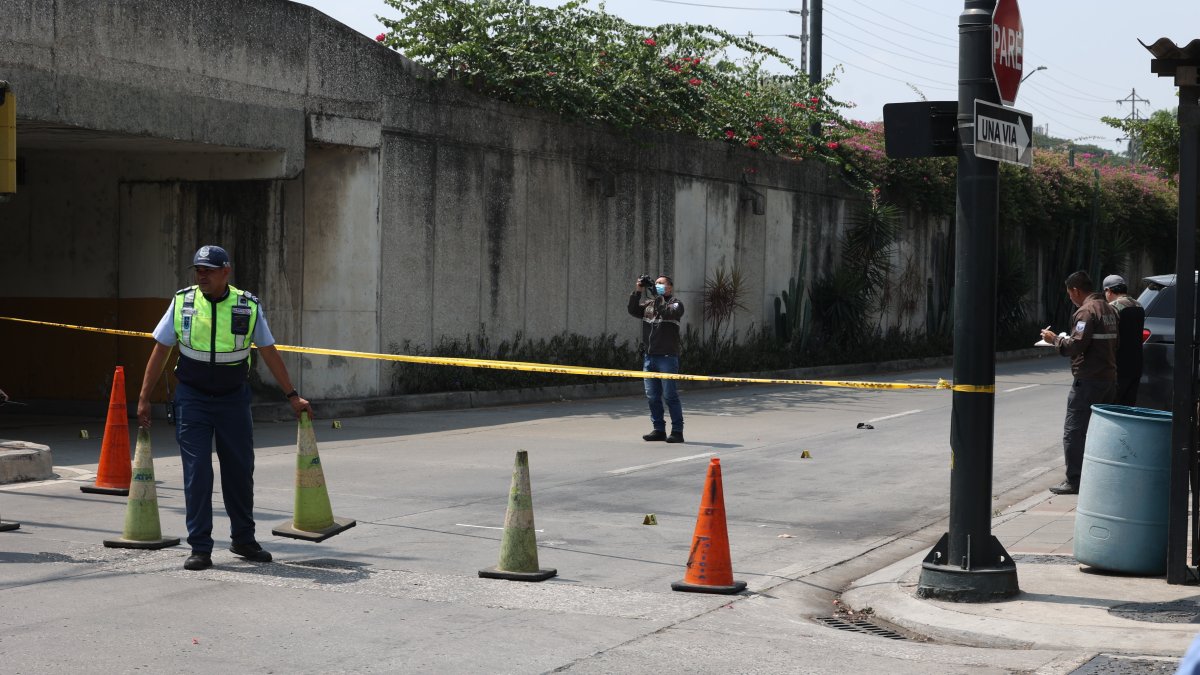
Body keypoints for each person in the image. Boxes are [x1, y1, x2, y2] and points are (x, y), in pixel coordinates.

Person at [136, 245, 311, 571]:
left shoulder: (246, 305)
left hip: (233, 399)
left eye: (209, 270)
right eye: (198, 270)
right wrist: (144, 397)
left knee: (239, 471)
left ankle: (243, 540)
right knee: (197, 473)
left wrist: (292, 395)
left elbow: (270, 352)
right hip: (193, 399)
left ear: (225, 272)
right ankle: (200, 547)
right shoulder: (183, 302)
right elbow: (160, 350)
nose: (202, 276)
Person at [1040, 270, 1119, 495]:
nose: (1071, 299)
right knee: (1100, 432)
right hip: (1108, 379)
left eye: (1070, 294)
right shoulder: (1109, 310)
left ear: (1075, 290)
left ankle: (1074, 480)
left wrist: (1054, 339)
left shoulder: (1085, 312)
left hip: (1088, 381)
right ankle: (1098, 476)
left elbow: (1075, 346)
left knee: (1074, 431)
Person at [628, 275, 685, 443]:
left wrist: (657, 295)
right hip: (649, 357)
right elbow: (632, 309)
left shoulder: (676, 304)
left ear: (670, 287)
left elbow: (666, 312)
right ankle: (658, 429)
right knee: (652, 396)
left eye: (661, 283)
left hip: (667, 358)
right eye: (656, 283)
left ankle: (677, 431)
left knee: (670, 396)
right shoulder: (649, 304)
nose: (658, 285)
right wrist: (638, 290)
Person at [1103, 274, 1145, 407]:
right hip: (1136, 363)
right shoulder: (1139, 305)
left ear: (1108, 290)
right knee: (1128, 405)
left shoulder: (1113, 307)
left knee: (1114, 406)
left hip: (1119, 364)